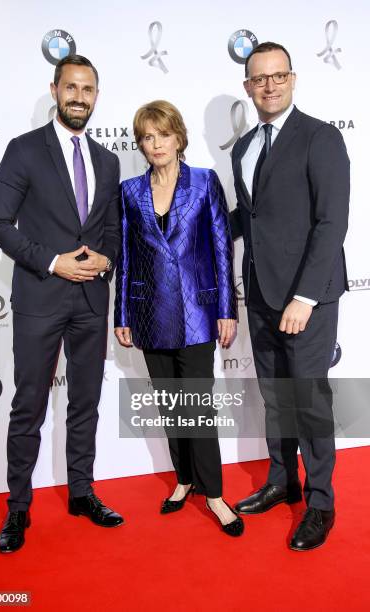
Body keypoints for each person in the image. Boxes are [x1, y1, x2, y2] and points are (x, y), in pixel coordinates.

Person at [0, 55, 124, 554]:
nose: (79, 97)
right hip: (41, 297)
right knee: (29, 406)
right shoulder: (24, 151)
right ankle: (18, 507)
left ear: (96, 95)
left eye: (88, 89)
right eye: (71, 88)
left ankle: (82, 492)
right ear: (55, 89)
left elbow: (111, 228)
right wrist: (52, 262)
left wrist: (105, 258)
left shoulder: (107, 161)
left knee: (85, 402)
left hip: (91, 299)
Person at [229, 42, 349, 550]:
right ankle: (283, 481)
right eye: (260, 78)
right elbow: (250, 218)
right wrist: (188, 228)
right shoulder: (244, 147)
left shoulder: (320, 138)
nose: (270, 85)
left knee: (309, 400)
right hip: (259, 292)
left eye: (278, 76)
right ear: (248, 87)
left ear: (293, 79)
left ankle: (321, 502)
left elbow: (331, 223)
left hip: (306, 297)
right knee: (276, 396)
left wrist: (304, 296)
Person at [114, 100, 244, 537]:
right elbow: (126, 258)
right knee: (171, 407)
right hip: (149, 313)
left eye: (163, 135)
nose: (156, 144)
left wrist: (227, 309)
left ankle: (214, 494)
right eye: (147, 137)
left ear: (178, 137)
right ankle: (184, 479)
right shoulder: (130, 191)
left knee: (198, 408)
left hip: (197, 313)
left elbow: (222, 252)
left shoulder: (205, 183)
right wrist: (122, 312)